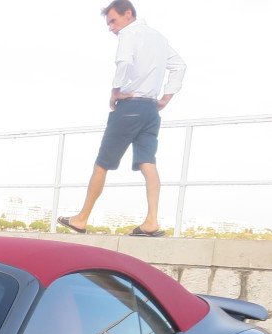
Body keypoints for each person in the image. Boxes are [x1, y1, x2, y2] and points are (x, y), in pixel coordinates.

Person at [57, 2, 185, 237]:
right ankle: (151, 222)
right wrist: (166, 97)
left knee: (102, 163)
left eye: (113, 21)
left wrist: (115, 91)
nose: (111, 28)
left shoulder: (130, 34)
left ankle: (81, 218)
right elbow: (179, 65)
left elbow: (124, 62)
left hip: (129, 107)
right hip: (150, 110)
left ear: (128, 14)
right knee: (148, 162)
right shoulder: (158, 37)